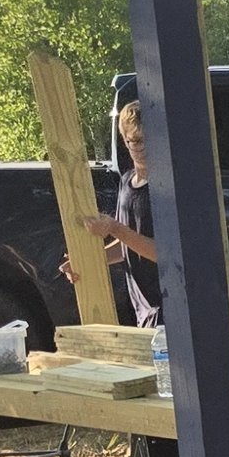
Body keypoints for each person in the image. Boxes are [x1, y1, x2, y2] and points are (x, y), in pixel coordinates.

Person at [78, 96, 161, 323]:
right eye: (135, 140)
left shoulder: (168, 188)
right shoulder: (126, 181)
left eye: (148, 139)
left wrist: (113, 228)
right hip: (142, 309)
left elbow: (164, 253)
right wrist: (86, 260)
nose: (142, 147)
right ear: (125, 141)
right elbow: (129, 244)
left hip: (169, 307)